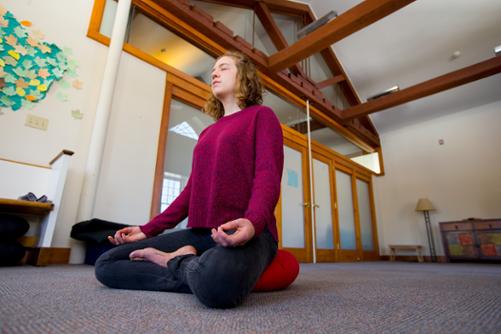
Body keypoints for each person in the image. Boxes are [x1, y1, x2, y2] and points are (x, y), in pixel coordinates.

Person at [94, 50, 285, 309]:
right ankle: (192, 267)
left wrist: (252, 223)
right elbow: (191, 191)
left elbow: (268, 175)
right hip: (202, 232)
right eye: (213, 70)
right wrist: (147, 229)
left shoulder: (262, 116)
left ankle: (175, 261)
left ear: (244, 77)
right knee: (106, 264)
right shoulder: (207, 132)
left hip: (249, 231)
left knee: (218, 286)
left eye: (224, 68)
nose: (215, 73)